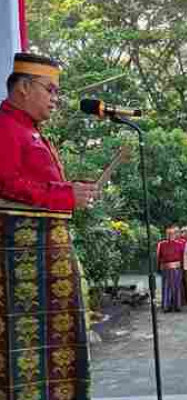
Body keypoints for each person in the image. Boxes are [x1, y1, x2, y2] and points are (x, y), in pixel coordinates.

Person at [0, 53, 96, 400]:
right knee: (26, 341)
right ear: (24, 88)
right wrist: (64, 195)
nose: (56, 99)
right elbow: (6, 182)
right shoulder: (6, 126)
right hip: (22, 256)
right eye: (51, 90)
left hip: (44, 254)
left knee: (58, 339)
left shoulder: (31, 131)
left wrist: (72, 193)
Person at [157, 226, 184, 312]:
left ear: (175, 235)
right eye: (168, 234)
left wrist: (182, 268)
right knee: (166, 287)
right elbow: (159, 257)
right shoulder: (161, 244)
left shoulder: (179, 244)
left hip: (177, 268)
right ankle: (166, 306)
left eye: (172, 234)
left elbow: (182, 257)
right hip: (166, 269)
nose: (170, 235)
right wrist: (159, 267)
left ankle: (177, 306)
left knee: (177, 287)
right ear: (166, 235)